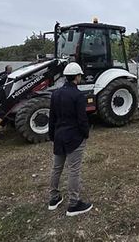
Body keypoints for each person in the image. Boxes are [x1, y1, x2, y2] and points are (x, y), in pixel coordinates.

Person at [47, 62, 93, 216]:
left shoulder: (55, 94)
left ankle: (53, 199)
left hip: (59, 136)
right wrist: (85, 134)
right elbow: (82, 119)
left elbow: (52, 117)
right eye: (80, 75)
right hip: (74, 137)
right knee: (74, 170)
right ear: (77, 77)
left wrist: (52, 135)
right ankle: (74, 204)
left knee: (56, 168)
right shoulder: (78, 95)